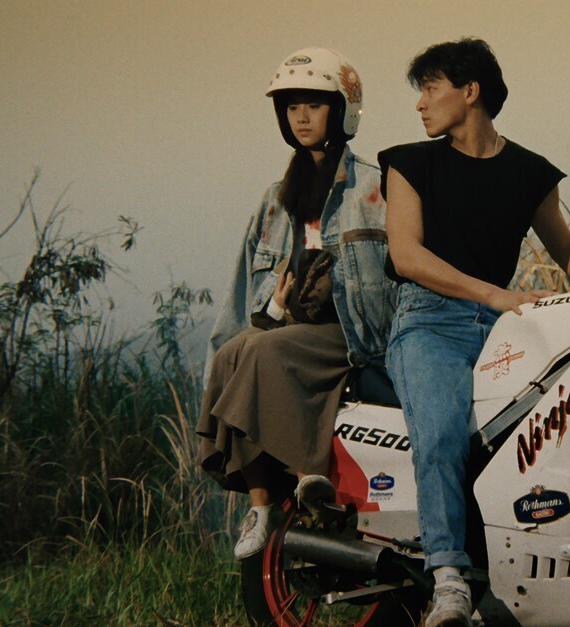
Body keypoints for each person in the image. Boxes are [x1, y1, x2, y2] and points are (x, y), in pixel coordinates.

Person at [379, 38, 570, 627]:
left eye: (430, 88)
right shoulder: (411, 163)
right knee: (442, 434)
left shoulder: (528, 172)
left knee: (547, 439)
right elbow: (406, 255)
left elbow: (567, 248)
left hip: (504, 327)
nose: (420, 104)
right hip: (428, 322)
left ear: (470, 91)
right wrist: (494, 295)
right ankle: (448, 580)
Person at [197, 47, 393, 560]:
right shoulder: (273, 198)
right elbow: (244, 294)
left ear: (343, 109)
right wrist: (263, 320)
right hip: (288, 329)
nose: (301, 117)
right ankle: (261, 506)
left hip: (352, 335)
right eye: (291, 107)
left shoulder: (376, 188)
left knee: (263, 351)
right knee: (232, 352)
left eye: (314, 104)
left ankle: (306, 477)